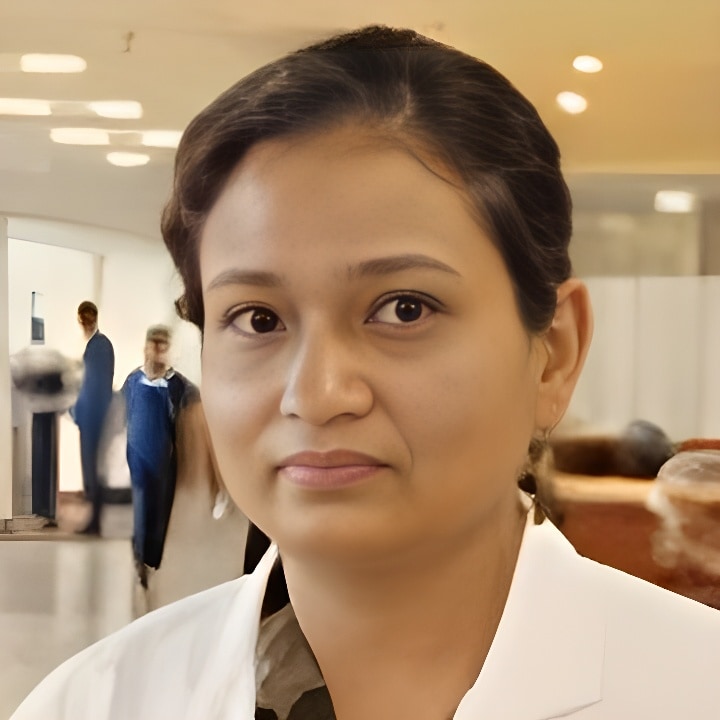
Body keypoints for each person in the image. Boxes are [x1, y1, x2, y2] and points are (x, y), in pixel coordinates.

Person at [13, 25, 720, 720]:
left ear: (554, 354)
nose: (316, 395)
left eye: (405, 309)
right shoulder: (92, 704)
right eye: (258, 318)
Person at [121, 325, 198, 594]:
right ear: (146, 347)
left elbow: (191, 422)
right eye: (154, 344)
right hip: (137, 462)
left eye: (163, 345)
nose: (157, 350)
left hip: (165, 464)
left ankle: (151, 564)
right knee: (140, 514)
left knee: (160, 516)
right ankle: (138, 563)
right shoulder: (133, 382)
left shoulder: (179, 386)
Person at [69, 300, 114, 534]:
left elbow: (95, 386)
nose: (85, 324)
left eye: (87, 320)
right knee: (92, 468)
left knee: (93, 468)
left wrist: (79, 410)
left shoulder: (99, 346)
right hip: (92, 416)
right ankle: (94, 520)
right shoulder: (97, 345)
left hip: (94, 417)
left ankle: (95, 521)